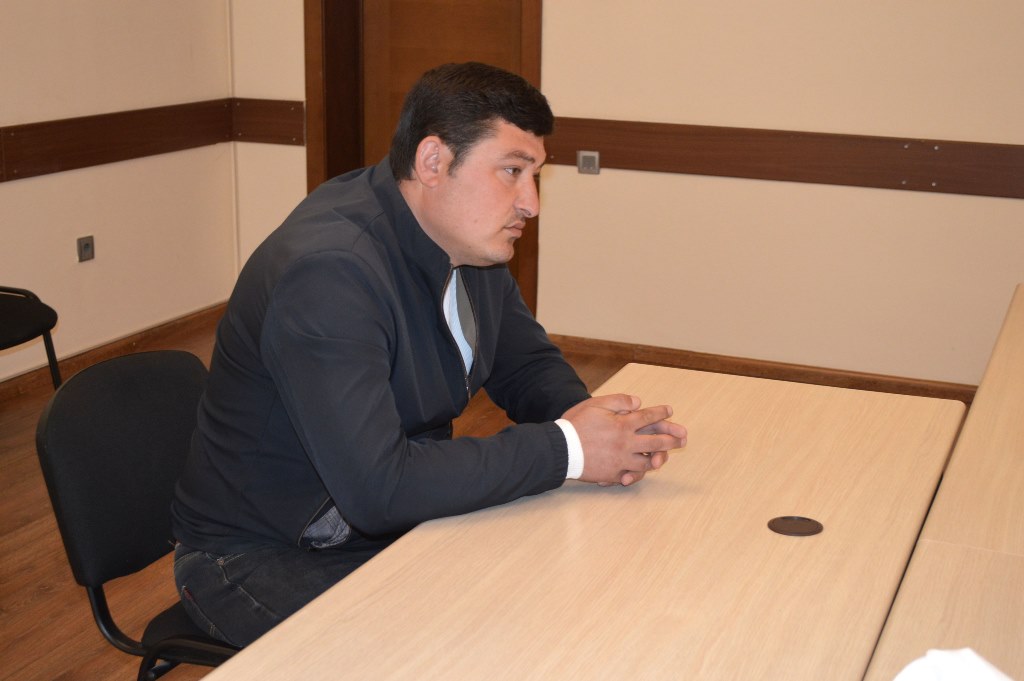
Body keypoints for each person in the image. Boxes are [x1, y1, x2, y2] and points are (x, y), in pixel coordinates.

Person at [170, 62, 686, 647]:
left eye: (535, 175)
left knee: (552, 598)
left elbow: (524, 365)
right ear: (433, 161)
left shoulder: (463, 239)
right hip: (259, 555)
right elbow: (379, 488)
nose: (531, 203)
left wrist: (595, 426)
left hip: (386, 519)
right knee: (465, 650)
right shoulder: (329, 273)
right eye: (512, 172)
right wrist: (568, 449)